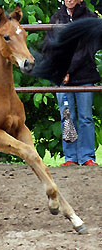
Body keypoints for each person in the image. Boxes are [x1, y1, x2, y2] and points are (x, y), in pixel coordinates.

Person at [43, 0, 100, 166]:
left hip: (84, 76)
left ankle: (87, 157)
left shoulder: (90, 17)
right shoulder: (56, 18)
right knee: (67, 117)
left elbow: (87, 48)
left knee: (85, 117)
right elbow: (50, 46)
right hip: (62, 78)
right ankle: (70, 158)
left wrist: (68, 69)